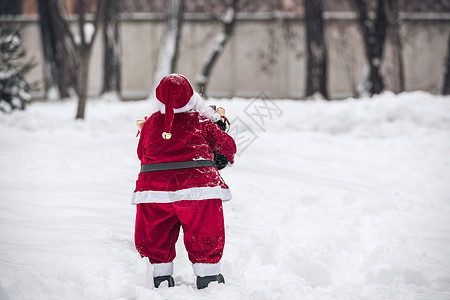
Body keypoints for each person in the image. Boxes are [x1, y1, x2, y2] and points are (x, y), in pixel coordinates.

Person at [131, 74, 237, 289]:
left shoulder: (150, 123)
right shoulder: (201, 120)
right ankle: (208, 276)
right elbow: (228, 148)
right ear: (191, 96)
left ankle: (159, 275)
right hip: (198, 187)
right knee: (205, 228)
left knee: (155, 230)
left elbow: (141, 153)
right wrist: (218, 145)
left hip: (155, 190)